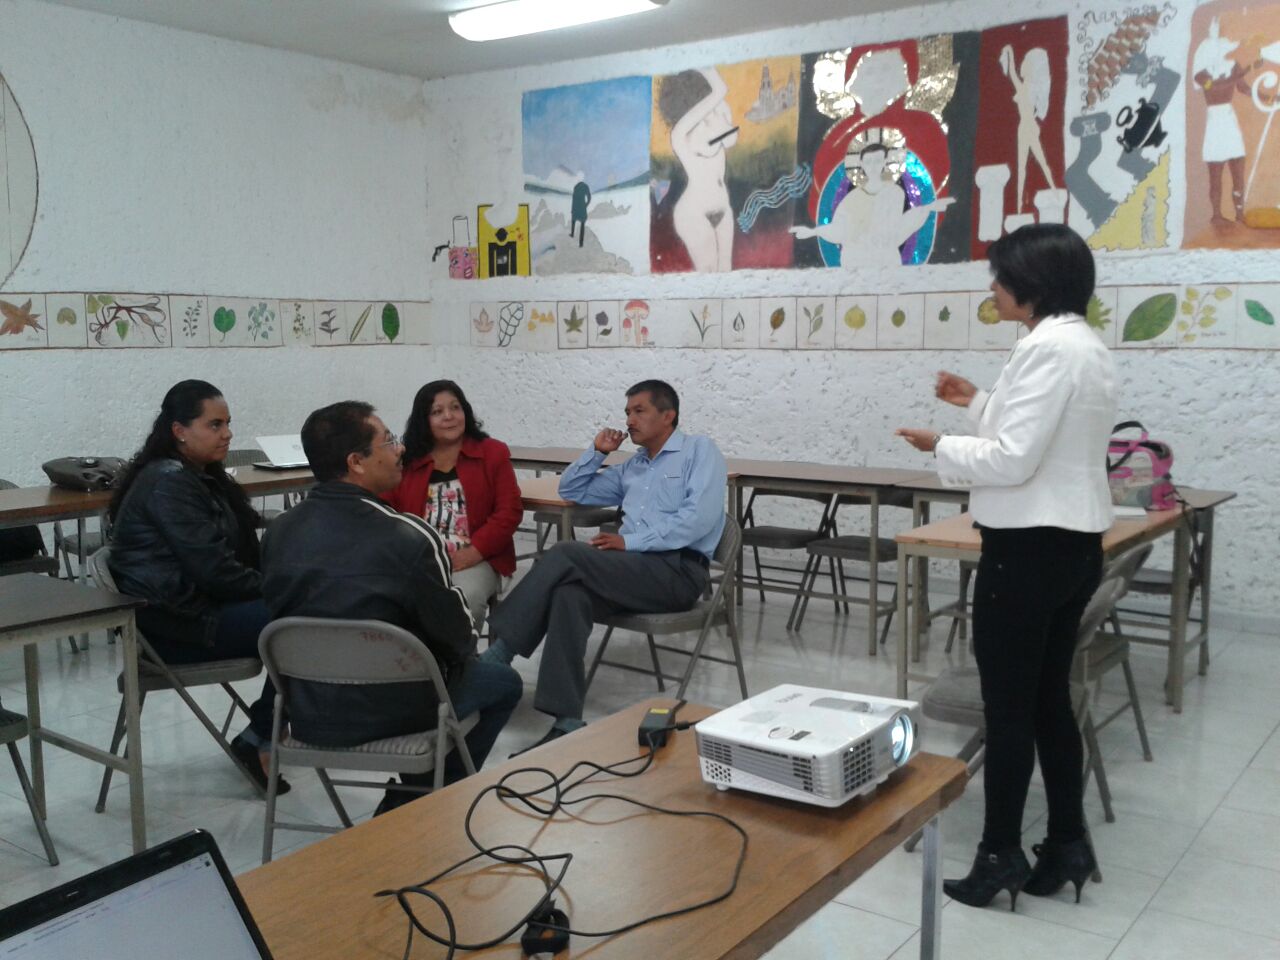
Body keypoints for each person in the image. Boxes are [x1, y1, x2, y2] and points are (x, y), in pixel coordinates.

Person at [896, 223, 1117, 909]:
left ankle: (998, 855)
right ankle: (1067, 843)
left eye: (1000, 276)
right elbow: (1034, 431)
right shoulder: (1083, 345)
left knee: (1009, 711)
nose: (992, 288)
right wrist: (975, 402)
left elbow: (1013, 458)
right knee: (1050, 703)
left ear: (1031, 283)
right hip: (1073, 546)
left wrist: (942, 445)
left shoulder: (1047, 349)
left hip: (1027, 550)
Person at [260, 401, 522, 814]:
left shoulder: (279, 533)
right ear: (356, 462)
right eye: (388, 441)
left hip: (307, 712)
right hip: (397, 711)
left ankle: (416, 798)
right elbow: (457, 639)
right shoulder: (409, 536)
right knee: (503, 682)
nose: (400, 449)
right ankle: (424, 800)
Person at [482, 379, 726, 753]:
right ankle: (567, 722)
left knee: (565, 553)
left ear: (668, 415)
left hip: (677, 573)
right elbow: (572, 490)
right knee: (569, 594)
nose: (629, 420)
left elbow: (698, 520)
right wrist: (596, 453)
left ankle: (499, 654)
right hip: (631, 570)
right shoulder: (633, 466)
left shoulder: (699, 451)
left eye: (639, 411)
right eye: (627, 412)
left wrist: (631, 542)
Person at [107, 379, 286, 796]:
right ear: (179, 431)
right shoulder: (168, 482)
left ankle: (267, 731)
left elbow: (232, 559)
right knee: (307, 621)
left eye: (228, 423)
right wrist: (281, 588)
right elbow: (216, 573)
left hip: (193, 611)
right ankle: (264, 735)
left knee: (312, 611)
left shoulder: (196, 476)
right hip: (174, 628)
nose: (228, 434)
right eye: (215, 425)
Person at [383, 381, 522, 630]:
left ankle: (456, 656)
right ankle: (417, 654)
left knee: (462, 602)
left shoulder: (493, 452)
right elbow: (385, 512)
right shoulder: (407, 460)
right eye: (437, 411)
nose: (449, 416)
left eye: (455, 408)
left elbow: (509, 512)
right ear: (423, 420)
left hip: (476, 557)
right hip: (417, 560)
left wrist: (474, 552)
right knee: (389, 602)